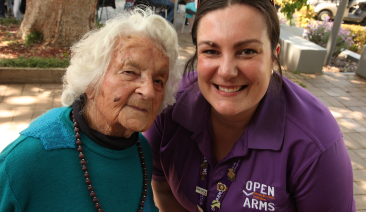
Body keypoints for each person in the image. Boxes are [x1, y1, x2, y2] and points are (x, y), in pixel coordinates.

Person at [144, 0, 356, 211]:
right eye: (211, 51)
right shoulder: (167, 106)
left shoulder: (316, 144)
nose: (227, 71)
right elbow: (162, 190)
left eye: (247, 51)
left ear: (274, 55)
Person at [0, 9, 182, 212]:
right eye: (130, 72)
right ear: (92, 82)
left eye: (158, 80)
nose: (148, 91)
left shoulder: (141, 149)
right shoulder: (28, 159)